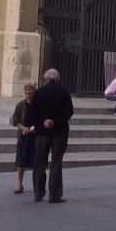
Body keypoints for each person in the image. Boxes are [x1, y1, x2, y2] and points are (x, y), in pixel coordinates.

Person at [27, 68, 74, 203]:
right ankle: (54, 194)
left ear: (45, 79)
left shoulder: (39, 92)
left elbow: (32, 112)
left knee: (39, 162)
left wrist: (44, 121)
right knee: (56, 162)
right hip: (59, 132)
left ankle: (38, 192)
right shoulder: (64, 91)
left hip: (42, 132)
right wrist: (55, 122)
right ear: (57, 79)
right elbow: (69, 111)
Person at [11, 80, 37, 194]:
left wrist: (33, 129)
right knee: (21, 161)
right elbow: (15, 120)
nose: (28, 91)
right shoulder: (20, 105)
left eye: (30, 89)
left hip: (35, 136)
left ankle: (37, 185)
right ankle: (19, 184)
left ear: (35, 90)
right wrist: (22, 128)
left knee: (36, 162)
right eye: (26, 89)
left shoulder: (39, 105)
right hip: (23, 136)